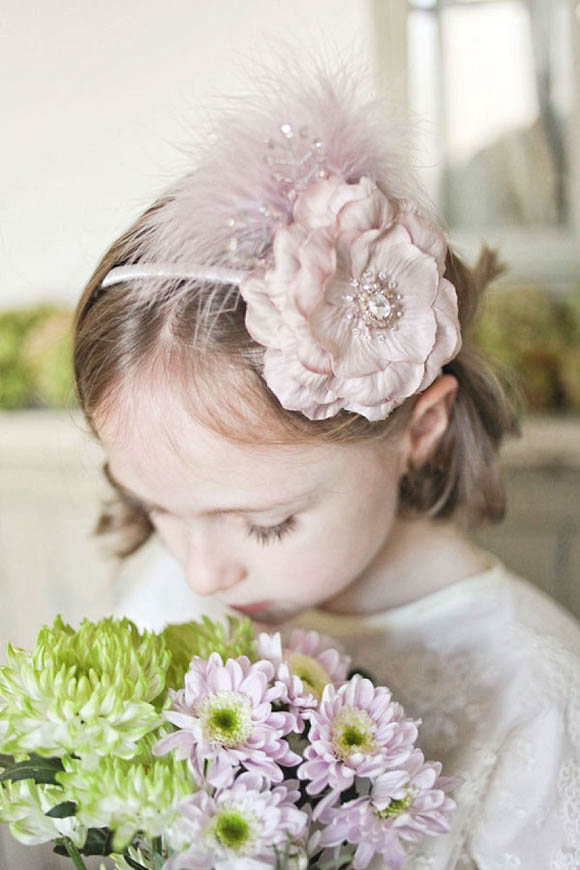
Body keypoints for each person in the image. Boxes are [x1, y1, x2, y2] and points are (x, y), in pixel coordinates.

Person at [73, 57, 580, 868]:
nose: (201, 575)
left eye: (267, 523)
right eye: (154, 507)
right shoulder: (159, 593)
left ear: (419, 430)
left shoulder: (544, 705)